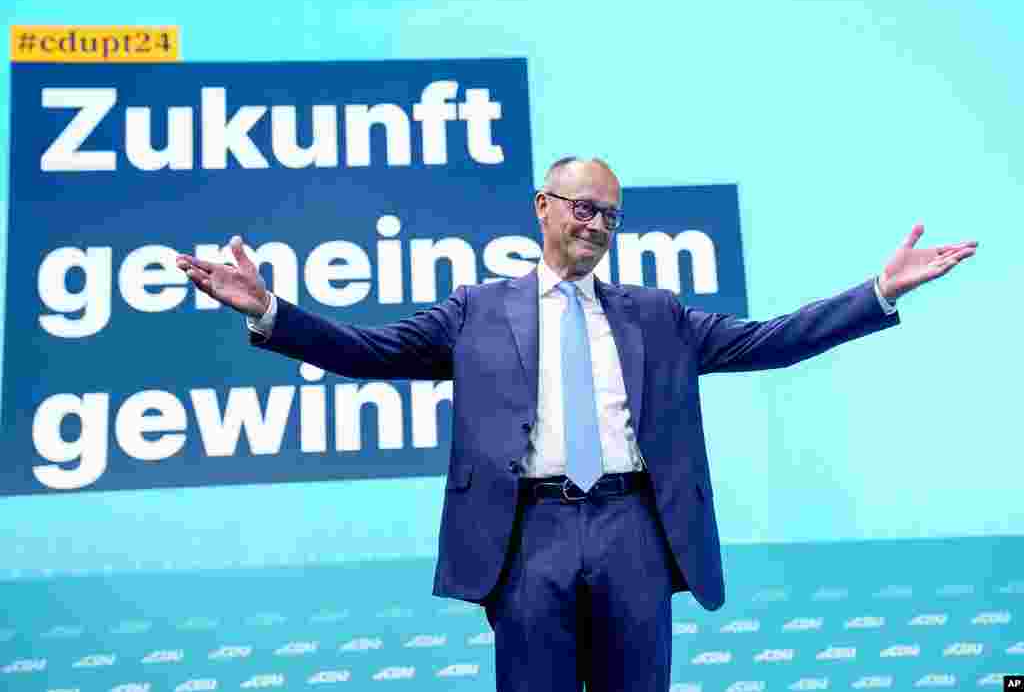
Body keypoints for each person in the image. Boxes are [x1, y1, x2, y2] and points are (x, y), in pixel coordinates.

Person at [176, 157, 977, 692]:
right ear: (543, 207)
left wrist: (878, 290)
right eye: (583, 207)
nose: (596, 223)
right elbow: (363, 351)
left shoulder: (658, 314)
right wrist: (273, 313)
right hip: (528, 536)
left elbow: (771, 341)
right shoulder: (476, 311)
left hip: (635, 526)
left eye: (612, 215)